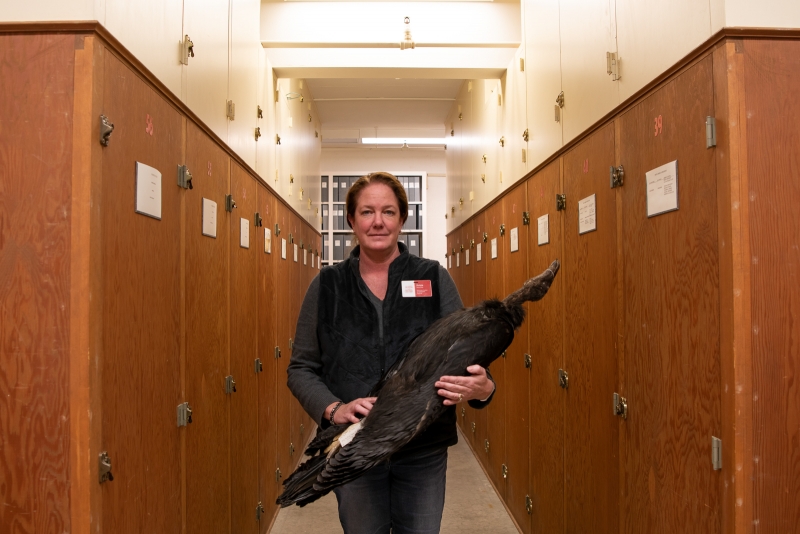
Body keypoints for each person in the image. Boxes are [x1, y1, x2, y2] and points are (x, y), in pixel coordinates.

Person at [287, 172, 496, 533]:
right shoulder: (327, 286)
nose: (378, 222)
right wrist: (334, 408)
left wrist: (483, 388)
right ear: (351, 220)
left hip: (423, 449)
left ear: (403, 219)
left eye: (388, 211)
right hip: (356, 449)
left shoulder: (433, 278)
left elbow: (468, 355)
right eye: (367, 212)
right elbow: (301, 368)